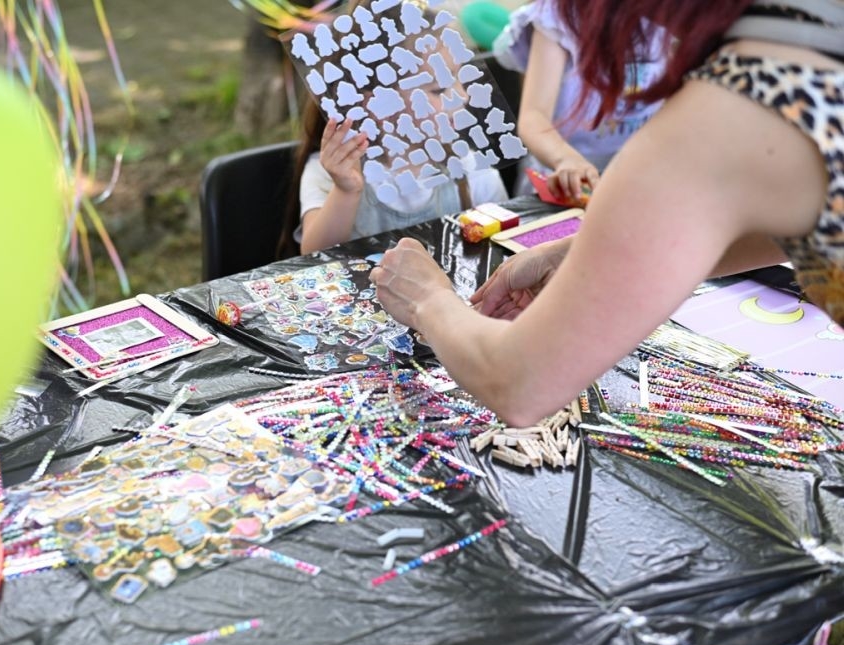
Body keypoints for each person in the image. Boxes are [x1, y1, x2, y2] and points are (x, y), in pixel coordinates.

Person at [370, 0, 844, 427]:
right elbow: (791, 227)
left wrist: (427, 298)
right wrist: (581, 254)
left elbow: (520, 382)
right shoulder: (807, 39)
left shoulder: (733, 104)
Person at [277, 0, 510, 258]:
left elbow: (503, 244)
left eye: (460, 78)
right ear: (379, 103)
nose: (462, 97)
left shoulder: (468, 167)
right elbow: (314, 256)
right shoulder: (331, 174)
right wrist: (345, 192)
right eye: (439, 89)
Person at [491, 0, 668, 201]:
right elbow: (534, 116)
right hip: (567, 182)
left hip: (640, 176)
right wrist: (566, 159)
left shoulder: (668, 16)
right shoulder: (557, 19)